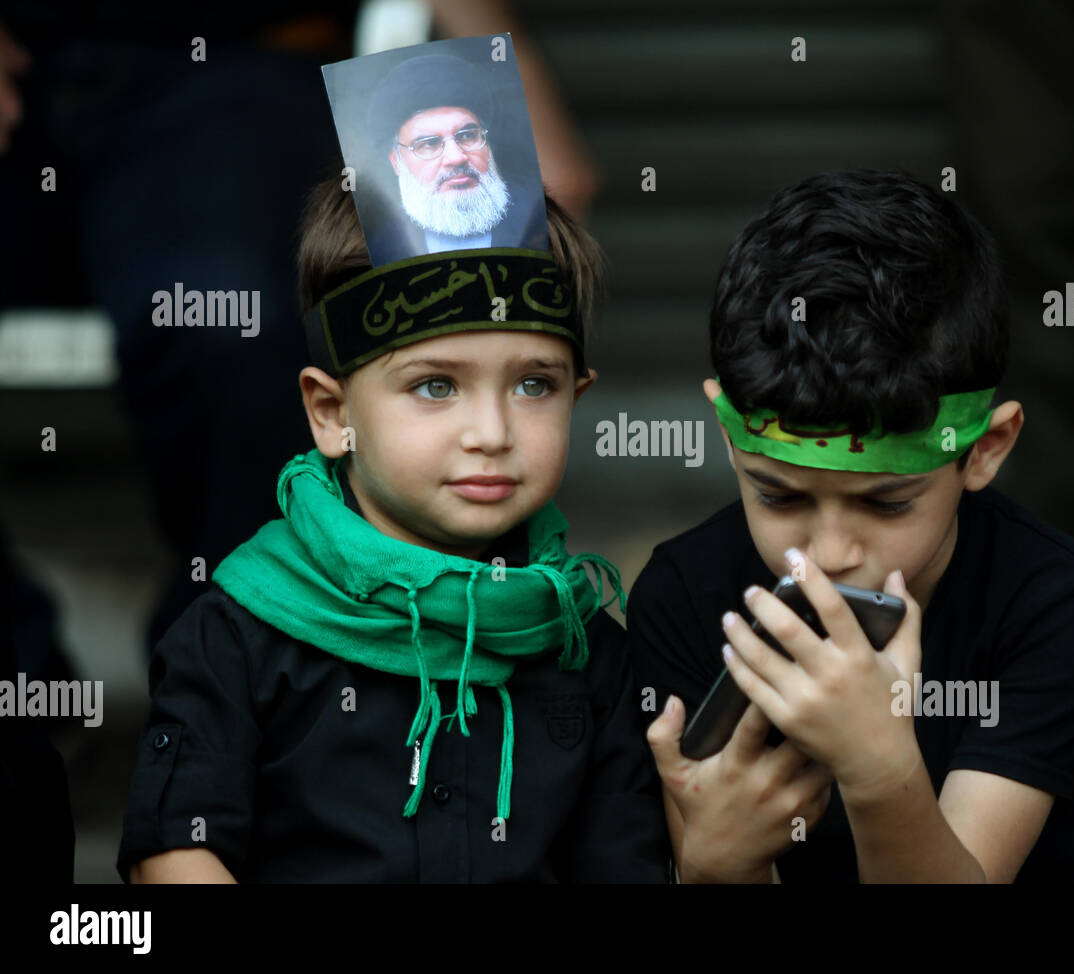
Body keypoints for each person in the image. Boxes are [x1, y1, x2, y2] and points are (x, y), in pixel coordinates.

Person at [116, 179, 667, 882]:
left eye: (535, 385)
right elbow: (176, 855)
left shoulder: (589, 654)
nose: (492, 434)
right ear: (329, 412)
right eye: (436, 386)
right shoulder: (235, 637)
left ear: (577, 395)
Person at [627, 169, 1074, 883]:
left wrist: (877, 766)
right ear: (731, 441)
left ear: (984, 450)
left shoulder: (1053, 602)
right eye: (779, 496)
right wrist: (715, 860)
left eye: (886, 504)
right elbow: (707, 856)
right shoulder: (684, 595)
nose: (827, 556)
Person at [363, 53, 548, 263]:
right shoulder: (377, 247)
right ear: (396, 162)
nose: (456, 157)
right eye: (429, 144)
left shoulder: (540, 219)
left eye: (468, 136)